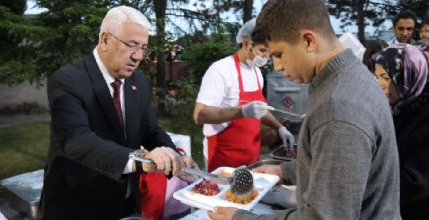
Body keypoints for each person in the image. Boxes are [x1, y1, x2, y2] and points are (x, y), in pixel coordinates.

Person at [208, 0, 401, 219]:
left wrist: (241, 218)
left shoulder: (339, 108)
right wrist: (286, 171)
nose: (277, 67)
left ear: (308, 41)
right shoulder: (352, 76)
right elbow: (341, 166)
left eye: (278, 55)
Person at [40, 6, 196, 220]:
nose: (139, 56)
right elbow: (76, 140)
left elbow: (150, 130)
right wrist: (142, 159)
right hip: (78, 205)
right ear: (104, 40)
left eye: (144, 48)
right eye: (131, 45)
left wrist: (175, 158)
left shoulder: (138, 81)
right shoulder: (67, 80)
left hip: (125, 202)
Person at [193, 18, 294, 172]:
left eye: (269, 53)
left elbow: (260, 109)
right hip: (223, 160)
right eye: (262, 51)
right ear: (247, 44)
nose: (266, 58)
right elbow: (200, 115)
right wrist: (242, 111)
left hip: (251, 158)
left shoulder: (256, 73)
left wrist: (280, 128)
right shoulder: (220, 70)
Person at [373, 45, 429, 220]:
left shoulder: (425, 118)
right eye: (376, 77)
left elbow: (416, 183)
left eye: (386, 77)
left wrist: (367, 186)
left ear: (409, 76)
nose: (379, 84)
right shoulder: (399, 109)